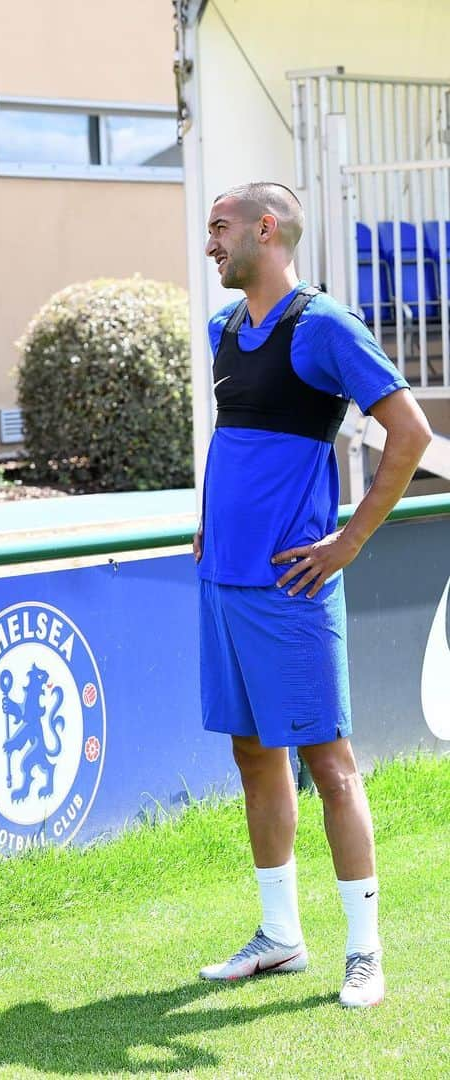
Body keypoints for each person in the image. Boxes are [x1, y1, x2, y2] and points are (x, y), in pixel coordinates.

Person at [195, 182, 431, 1008]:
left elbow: (411, 434)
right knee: (252, 754)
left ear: (267, 229)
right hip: (223, 579)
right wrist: (206, 527)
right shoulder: (225, 328)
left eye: (220, 227)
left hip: (290, 589)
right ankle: (280, 938)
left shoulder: (324, 325)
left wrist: (350, 540)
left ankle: (364, 953)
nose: (211, 242)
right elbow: (231, 444)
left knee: (328, 765)